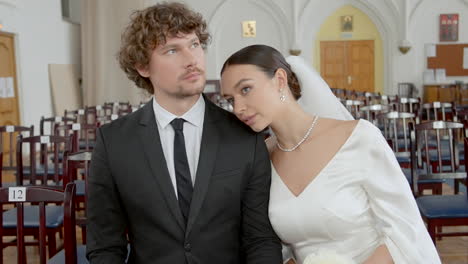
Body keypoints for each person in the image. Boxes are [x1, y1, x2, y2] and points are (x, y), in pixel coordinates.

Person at [86, 4, 282, 263]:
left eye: (194, 45)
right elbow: (105, 246)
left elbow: (260, 239)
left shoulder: (246, 136)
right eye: (172, 50)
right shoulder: (113, 141)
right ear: (143, 66)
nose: (191, 60)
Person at [220, 44, 441, 264]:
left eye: (246, 89)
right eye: (230, 100)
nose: (238, 108)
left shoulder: (359, 138)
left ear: (279, 80)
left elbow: (403, 230)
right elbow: (272, 246)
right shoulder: (261, 159)